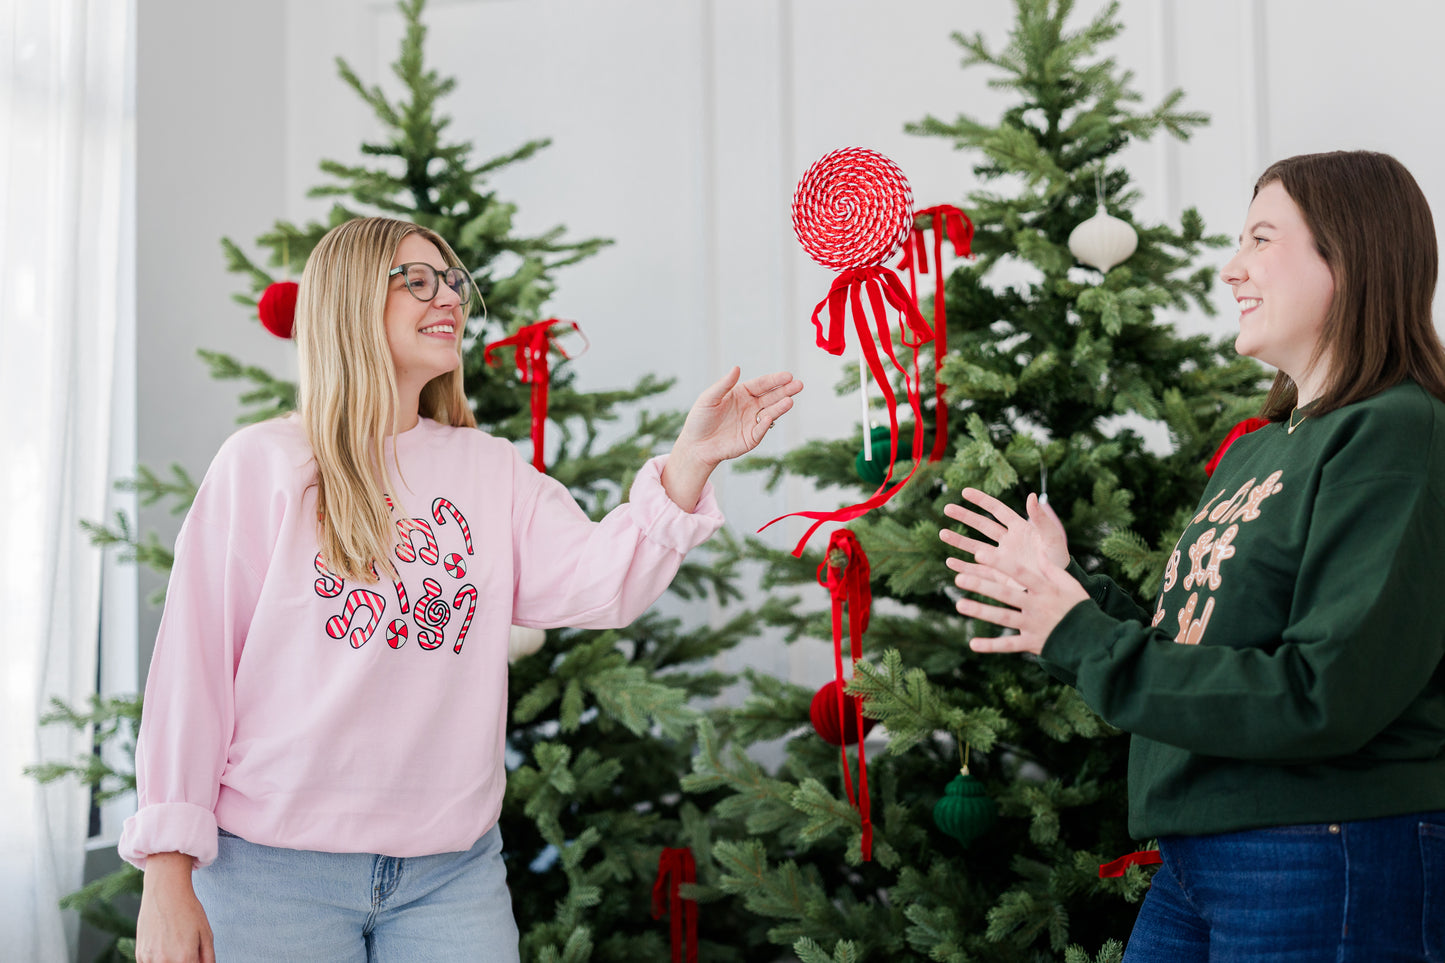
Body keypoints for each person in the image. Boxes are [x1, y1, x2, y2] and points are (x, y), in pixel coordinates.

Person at [121, 215, 804, 963]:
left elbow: (602, 582)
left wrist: (691, 461)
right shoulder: (263, 464)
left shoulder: (487, 468)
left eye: (450, 280)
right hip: (271, 872)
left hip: (450, 877)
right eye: (416, 280)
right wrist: (166, 871)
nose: (448, 296)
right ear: (350, 300)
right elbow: (192, 672)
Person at [938, 151, 1445, 961]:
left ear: (1348, 258)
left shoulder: (1394, 430)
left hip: (1324, 846)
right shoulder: (1259, 447)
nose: (1229, 268)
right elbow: (1200, 651)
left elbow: (1323, 693)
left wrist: (1082, 635)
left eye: (1259, 239)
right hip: (1199, 856)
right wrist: (1067, 594)